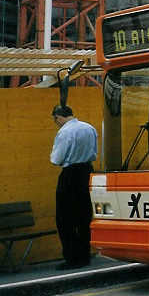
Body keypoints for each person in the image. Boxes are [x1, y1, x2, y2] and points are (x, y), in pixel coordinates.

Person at [50, 105, 98, 269]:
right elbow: (95, 151)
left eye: (55, 120)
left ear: (58, 117)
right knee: (84, 216)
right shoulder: (89, 128)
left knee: (65, 218)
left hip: (70, 174)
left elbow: (57, 159)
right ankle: (85, 256)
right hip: (87, 171)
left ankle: (72, 258)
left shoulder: (64, 132)